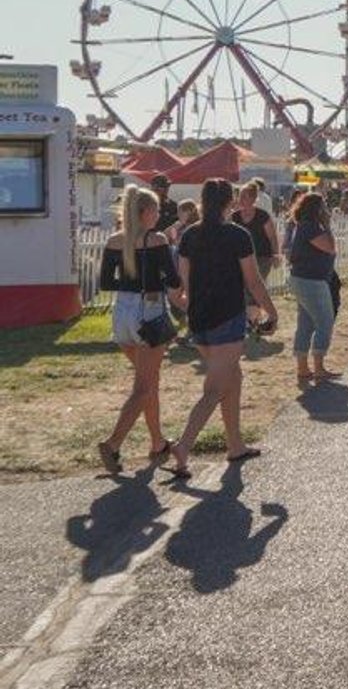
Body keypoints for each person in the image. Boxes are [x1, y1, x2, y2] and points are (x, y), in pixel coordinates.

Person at [166, 179, 279, 479]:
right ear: (230, 202)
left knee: (232, 377)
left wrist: (188, 308)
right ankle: (183, 446)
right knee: (215, 388)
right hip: (227, 316)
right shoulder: (238, 235)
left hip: (199, 317)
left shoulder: (190, 235)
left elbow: (184, 283)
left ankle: (235, 444)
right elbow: (253, 281)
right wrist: (272, 310)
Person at [95, 185, 183, 473]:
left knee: (148, 382)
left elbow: (106, 283)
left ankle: (157, 441)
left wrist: (132, 285)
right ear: (145, 212)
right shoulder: (156, 239)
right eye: (156, 209)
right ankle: (112, 443)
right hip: (149, 310)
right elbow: (173, 280)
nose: (159, 214)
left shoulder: (114, 241)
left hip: (122, 312)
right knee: (144, 387)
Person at [285, 192, 341, 387]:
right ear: (316, 209)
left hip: (303, 279)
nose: (326, 210)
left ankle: (303, 368)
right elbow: (330, 247)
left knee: (306, 323)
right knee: (325, 322)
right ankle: (318, 367)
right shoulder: (311, 227)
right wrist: (327, 225)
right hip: (311, 281)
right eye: (323, 206)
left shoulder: (303, 226)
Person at [233, 179, 279, 338]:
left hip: (262, 256)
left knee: (254, 287)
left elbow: (272, 237)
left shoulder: (262, 216)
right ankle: (254, 320)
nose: (242, 199)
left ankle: (252, 321)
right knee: (244, 288)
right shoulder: (235, 217)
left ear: (253, 199)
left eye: (245, 196)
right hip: (242, 258)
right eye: (240, 196)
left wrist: (276, 254)